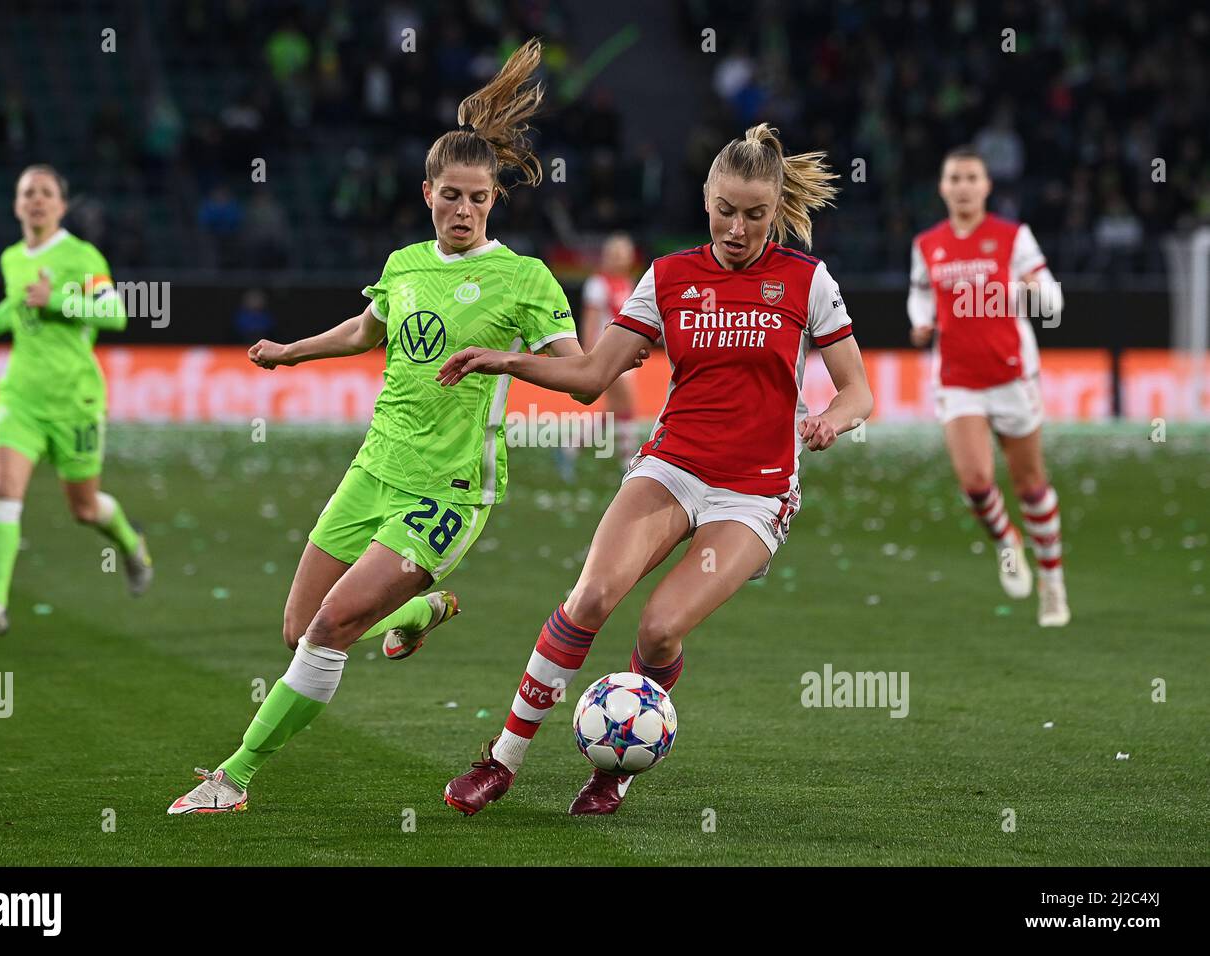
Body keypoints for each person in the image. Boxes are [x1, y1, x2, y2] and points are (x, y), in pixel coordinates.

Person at [166, 39, 635, 814]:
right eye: (450, 195)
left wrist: (503, 363)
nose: (462, 210)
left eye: (477, 198)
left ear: (494, 201)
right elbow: (365, 331)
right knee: (299, 631)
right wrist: (292, 352)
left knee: (329, 626)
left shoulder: (524, 280)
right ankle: (422, 610)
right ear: (427, 193)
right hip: (375, 468)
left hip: (449, 487)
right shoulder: (405, 263)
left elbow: (585, 377)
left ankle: (234, 777)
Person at [438, 123, 873, 816]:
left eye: (756, 215)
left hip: (753, 495)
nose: (738, 227)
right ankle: (501, 761)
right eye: (725, 210)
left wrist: (831, 418)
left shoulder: (807, 281)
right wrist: (508, 359)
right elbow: (590, 374)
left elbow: (860, 391)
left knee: (659, 631)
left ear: (777, 209)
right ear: (706, 199)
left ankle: (618, 767)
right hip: (670, 467)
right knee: (589, 597)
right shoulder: (668, 277)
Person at [0, 165, 151, 636]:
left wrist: (58, 301)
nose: (36, 200)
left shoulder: (82, 256)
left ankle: (130, 543)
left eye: (45, 192)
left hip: (75, 400)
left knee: (84, 509)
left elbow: (115, 313)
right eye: (28, 192)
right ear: (17, 204)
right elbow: (18, 312)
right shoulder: (11, 258)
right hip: (21, 396)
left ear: (61, 206)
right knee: (5, 491)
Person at [908, 146, 1069, 627]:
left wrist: (1032, 292)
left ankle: (1053, 583)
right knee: (976, 481)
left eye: (971, 177)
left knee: (1031, 485)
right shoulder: (927, 244)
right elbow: (920, 295)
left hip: (1012, 376)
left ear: (986, 186)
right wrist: (920, 324)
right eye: (953, 177)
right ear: (942, 187)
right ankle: (1007, 542)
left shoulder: (1012, 237)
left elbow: (1053, 302)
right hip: (958, 379)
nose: (962, 185)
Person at [580, 232, 640, 460]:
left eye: (623, 255)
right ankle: (629, 458)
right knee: (627, 403)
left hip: (624, 351)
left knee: (616, 408)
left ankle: (572, 445)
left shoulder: (626, 283)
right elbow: (591, 321)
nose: (619, 259)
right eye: (615, 254)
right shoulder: (597, 283)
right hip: (607, 351)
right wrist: (588, 354)